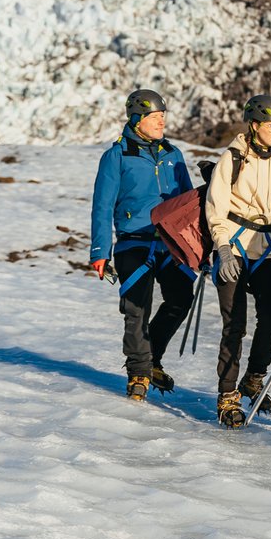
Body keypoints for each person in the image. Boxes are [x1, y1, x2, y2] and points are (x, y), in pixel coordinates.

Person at [89, 90, 196, 400]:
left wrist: (197, 247)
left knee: (180, 299)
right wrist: (99, 251)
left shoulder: (173, 154)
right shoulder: (116, 156)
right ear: (137, 120)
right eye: (154, 117)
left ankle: (152, 360)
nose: (161, 121)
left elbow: (187, 204)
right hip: (132, 243)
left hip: (169, 244)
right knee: (136, 309)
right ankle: (139, 372)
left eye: (163, 116)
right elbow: (102, 205)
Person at [205, 95, 271, 427]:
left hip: (268, 250)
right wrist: (221, 248)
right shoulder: (230, 159)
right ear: (255, 125)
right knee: (235, 325)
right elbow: (215, 210)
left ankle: (254, 378)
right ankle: (228, 394)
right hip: (232, 247)